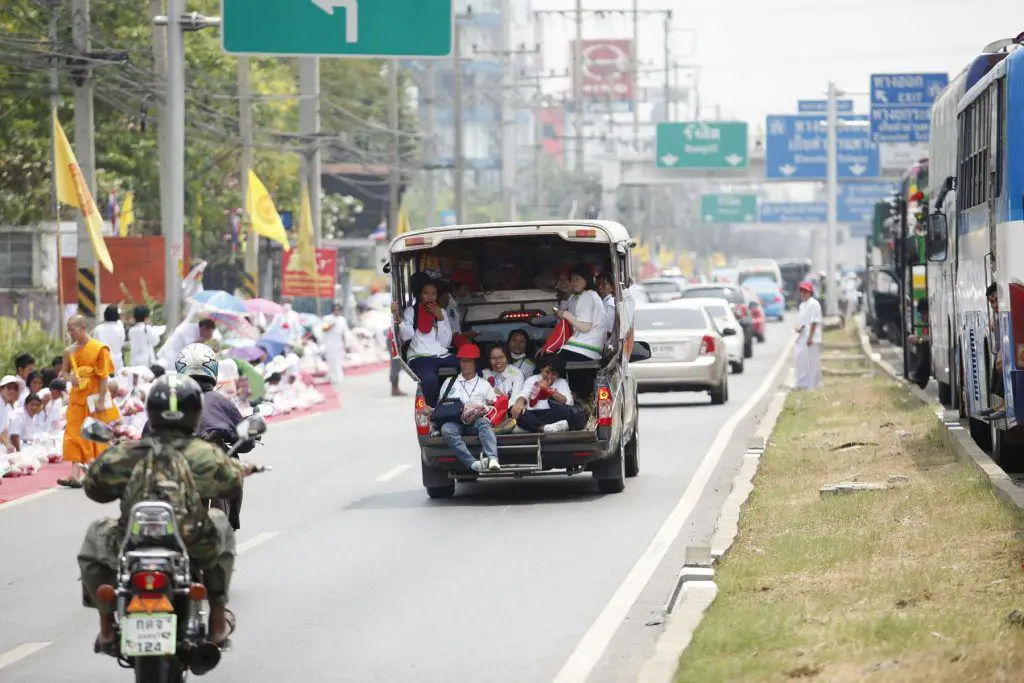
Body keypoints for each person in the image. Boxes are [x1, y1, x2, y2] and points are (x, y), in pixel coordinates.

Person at [77, 375, 254, 652]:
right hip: (191, 540)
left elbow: (95, 490)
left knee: (95, 533)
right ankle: (217, 621)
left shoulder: (127, 452)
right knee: (220, 523)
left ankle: (105, 625)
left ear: (152, 413)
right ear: (195, 413)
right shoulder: (205, 454)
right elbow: (232, 484)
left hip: (130, 540)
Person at [58, 315, 122, 488]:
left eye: (74, 329)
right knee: (73, 433)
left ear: (83, 327)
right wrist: (71, 378)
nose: (71, 333)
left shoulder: (98, 349)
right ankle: (73, 475)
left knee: (95, 435)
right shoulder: (69, 351)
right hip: (77, 399)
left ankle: (99, 472)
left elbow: (103, 378)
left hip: (94, 399)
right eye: (69, 330)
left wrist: (101, 400)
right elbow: (63, 372)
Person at [393, 277, 459, 406]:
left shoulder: (442, 312)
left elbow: (445, 343)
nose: (430, 297)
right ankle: (432, 410)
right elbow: (406, 336)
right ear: (420, 294)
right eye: (426, 293)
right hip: (420, 356)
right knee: (429, 379)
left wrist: (440, 318)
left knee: (471, 366)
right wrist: (399, 319)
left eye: (433, 294)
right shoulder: (412, 311)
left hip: (441, 354)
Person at [437, 343, 500, 472]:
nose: (463, 364)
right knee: (446, 429)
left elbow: (494, 407)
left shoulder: (484, 384)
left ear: (475, 363)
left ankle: (493, 458)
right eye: (461, 361)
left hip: (476, 422)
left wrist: (483, 408)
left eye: (467, 361)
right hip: (455, 422)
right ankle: (472, 463)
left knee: (484, 424)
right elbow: (441, 405)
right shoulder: (449, 382)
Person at [509, 354, 585, 433]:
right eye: (547, 372)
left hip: (551, 414)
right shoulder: (532, 379)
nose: (549, 376)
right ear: (541, 369)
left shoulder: (561, 382)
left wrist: (549, 390)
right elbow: (523, 395)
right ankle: (544, 428)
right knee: (514, 410)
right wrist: (519, 403)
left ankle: (531, 427)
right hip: (532, 413)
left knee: (566, 412)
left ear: (558, 375)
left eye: (554, 374)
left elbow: (569, 402)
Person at [556, 265, 608, 363]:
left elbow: (585, 327)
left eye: (578, 279)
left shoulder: (588, 295)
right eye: (572, 279)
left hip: (587, 346)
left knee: (553, 361)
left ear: (586, 280)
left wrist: (565, 314)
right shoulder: (574, 298)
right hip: (581, 344)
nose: (574, 282)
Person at [978, 283, 1006, 420]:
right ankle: (1002, 403)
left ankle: (1005, 405)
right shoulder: (997, 316)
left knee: (1003, 359)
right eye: (991, 302)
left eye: (996, 300)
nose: (995, 305)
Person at [794, 281, 823, 390]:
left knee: (813, 363)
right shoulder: (802, 306)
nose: (803, 293)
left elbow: (814, 322)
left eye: (805, 291)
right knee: (802, 361)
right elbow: (803, 323)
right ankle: (803, 384)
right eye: (802, 291)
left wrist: (810, 337)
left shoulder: (814, 304)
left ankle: (814, 386)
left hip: (813, 338)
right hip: (803, 338)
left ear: (810, 292)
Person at [92, 305, 126, 372]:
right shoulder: (121, 329)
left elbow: (94, 346)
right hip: (118, 362)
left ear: (105, 315)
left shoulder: (98, 329)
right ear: (117, 316)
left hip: (103, 362)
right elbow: (122, 343)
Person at [908, 298, 932, 390]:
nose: (923, 317)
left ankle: (919, 377)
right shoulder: (921, 321)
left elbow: (929, 338)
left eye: (924, 314)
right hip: (922, 342)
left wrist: (919, 340)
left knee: (926, 350)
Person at [321, 303, 347, 386]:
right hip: (330, 341)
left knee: (338, 360)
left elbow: (343, 332)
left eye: (339, 310)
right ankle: (332, 376)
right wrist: (331, 326)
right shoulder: (327, 318)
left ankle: (338, 376)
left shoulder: (342, 320)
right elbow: (324, 329)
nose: (337, 311)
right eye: (335, 309)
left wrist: (345, 344)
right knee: (332, 360)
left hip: (338, 341)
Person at [595, 271, 617, 340]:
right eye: (598, 284)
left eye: (604, 284)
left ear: (612, 288)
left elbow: (608, 330)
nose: (600, 287)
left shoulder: (609, 304)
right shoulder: (601, 302)